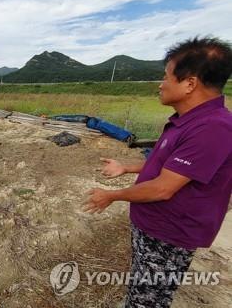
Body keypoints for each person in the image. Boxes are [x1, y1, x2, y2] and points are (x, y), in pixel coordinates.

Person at [83, 37, 232, 308]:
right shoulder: (187, 122)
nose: (160, 84)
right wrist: (126, 167)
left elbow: (164, 187)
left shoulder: (212, 128)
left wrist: (112, 196)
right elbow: (168, 164)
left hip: (169, 233)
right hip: (154, 227)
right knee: (144, 286)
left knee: (149, 299)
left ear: (190, 84)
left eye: (166, 77)